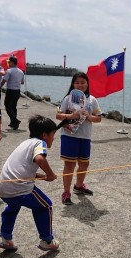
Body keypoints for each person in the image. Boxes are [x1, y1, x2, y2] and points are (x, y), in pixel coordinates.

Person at [0, 115, 60, 252]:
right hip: (19, 188)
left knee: (13, 206)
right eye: (53, 135)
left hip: (3, 186)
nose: (54, 138)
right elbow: (39, 158)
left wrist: (43, 177)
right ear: (44, 135)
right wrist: (50, 174)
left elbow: (24, 169)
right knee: (45, 206)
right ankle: (47, 240)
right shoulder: (39, 143)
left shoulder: (25, 143)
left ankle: (6, 238)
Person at [55, 72, 102, 205]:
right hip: (69, 135)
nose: (80, 85)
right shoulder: (67, 99)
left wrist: (89, 116)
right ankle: (66, 192)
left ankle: (79, 185)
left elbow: (98, 118)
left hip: (85, 136)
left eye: (83, 82)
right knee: (69, 164)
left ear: (87, 84)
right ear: (73, 84)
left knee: (84, 163)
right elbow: (58, 116)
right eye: (77, 82)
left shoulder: (92, 100)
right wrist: (70, 116)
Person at [1, 56, 24, 130]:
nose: (8, 63)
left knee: (7, 106)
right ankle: (13, 123)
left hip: (11, 90)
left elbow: (4, 80)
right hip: (17, 91)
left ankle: (15, 120)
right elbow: (22, 82)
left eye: (9, 62)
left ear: (12, 62)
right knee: (14, 107)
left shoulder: (9, 71)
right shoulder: (21, 71)